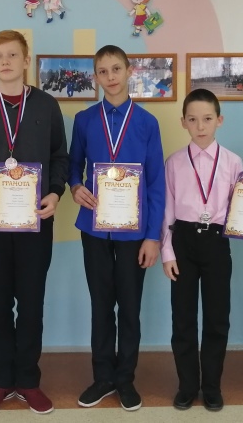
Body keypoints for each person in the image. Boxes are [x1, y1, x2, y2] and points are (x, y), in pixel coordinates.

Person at [0, 30, 69, 415]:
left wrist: (55, 193)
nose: (5, 62)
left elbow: (60, 156)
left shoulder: (47, 105)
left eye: (12, 55)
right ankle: (2, 380)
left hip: (36, 221)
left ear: (25, 60)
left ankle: (29, 381)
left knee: (32, 302)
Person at [160, 89, 243, 412]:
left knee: (216, 318)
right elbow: (167, 211)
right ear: (183, 122)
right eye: (193, 119)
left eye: (207, 119)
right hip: (183, 241)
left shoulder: (232, 161)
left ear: (219, 120)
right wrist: (167, 253)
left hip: (216, 242)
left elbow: (241, 205)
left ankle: (211, 386)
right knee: (182, 318)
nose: (200, 126)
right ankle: (187, 386)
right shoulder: (174, 162)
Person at [68, 45, 164, 411]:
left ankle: (125, 379)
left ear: (129, 71)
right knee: (101, 305)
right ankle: (102, 377)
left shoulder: (146, 122)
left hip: (134, 232)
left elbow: (156, 183)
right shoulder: (84, 120)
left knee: (129, 306)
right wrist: (75, 187)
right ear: (95, 76)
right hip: (94, 227)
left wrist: (153, 236)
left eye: (116, 69)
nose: (110, 77)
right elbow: (73, 166)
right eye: (103, 71)